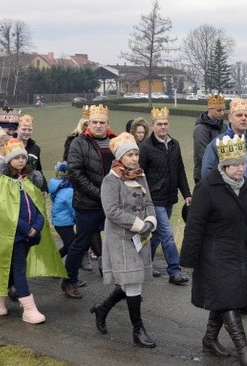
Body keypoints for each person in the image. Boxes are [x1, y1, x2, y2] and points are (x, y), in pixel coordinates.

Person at [181, 134, 247, 366]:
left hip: (238, 252)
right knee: (229, 300)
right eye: (235, 165)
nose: (241, 169)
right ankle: (243, 350)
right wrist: (187, 259)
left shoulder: (245, 186)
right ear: (224, 165)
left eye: (243, 163)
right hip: (213, 253)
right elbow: (194, 225)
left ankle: (210, 338)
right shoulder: (207, 186)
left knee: (226, 296)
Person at [0, 138, 66, 323]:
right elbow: (4, 212)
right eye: (16, 157)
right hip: (13, 235)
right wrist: (26, 229)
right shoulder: (2, 182)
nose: (21, 160)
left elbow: (38, 206)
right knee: (19, 269)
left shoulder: (30, 180)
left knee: (13, 268)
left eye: (23, 157)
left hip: (30, 234)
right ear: (8, 160)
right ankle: (28, 308)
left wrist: (36, 226)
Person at [201, 98, 247, 315]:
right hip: (230, 212)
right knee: (235, 258)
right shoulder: (218, 144)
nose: (243, 118)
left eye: (246, 115)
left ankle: (242, 301)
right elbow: (207, 176)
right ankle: (232, 303)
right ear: (230, 117)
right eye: (239, 115)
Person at [90, 132, 158, 348]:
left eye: (136, 154)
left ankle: (103, 308)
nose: (134, 158)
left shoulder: (140, 176)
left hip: (140, 236)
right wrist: (139, 225)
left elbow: (148, 202)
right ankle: (138, 330)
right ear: (120, 157)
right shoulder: (111, 181)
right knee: (133, 281)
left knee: (131, 280)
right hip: (121, 237)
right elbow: (111, 211)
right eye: (130, 154)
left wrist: (150, 220)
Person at [62, 104, 116, 299]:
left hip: (112, 203)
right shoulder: (79, 143)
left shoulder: (114, 141)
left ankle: (121, 281)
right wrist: (99, 193)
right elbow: (75, 174)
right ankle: (69, 281)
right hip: (88, 202)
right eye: (95, 122)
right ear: (88, 123)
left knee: (116, 241)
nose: (98, 126)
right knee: (81, 243)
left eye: (102, 122)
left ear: (107, 123)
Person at [139, 106, 191, 286]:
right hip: (154, 199)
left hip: (169, 197)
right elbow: (140, 174)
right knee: (167, 234)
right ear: (152, 126)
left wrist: (186, 194)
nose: (163, 127)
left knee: (157, 235)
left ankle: (145, 264)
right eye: (159, 124)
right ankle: (174, 271)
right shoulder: (145, 147)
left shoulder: (174, 144)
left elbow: (180, 171)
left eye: (165, 124)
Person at [193, 94, 226, 184]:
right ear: (210, 109)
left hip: (223, 175)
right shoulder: (201, 129)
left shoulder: (224, 126)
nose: (222, 113)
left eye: (223, 110)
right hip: (205, 177)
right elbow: (202, 156)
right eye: (219, 110)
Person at [48, 161, 76, 258]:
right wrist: (79, 219)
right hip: (65, 223)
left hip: (60, 222)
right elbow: (73, 208)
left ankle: (55, 261)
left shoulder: (57, 187)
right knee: (72, 246)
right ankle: (57, 263)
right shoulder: (69, 191)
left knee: (70, 244)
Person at [17, 114, 46, 190]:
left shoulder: (35, 148)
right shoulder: (10, 146)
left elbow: (38, 169)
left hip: (31, 188)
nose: (27, 132)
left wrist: (44, 187)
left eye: (29, 130)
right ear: (17, 129)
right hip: (14, 188)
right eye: (24, 129)